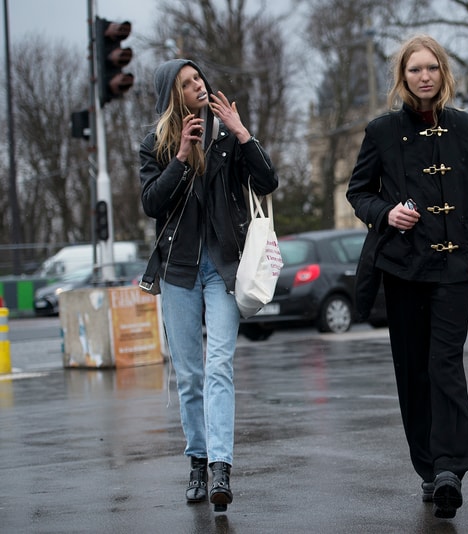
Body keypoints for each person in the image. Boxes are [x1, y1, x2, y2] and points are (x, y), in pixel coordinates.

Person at [346, 35, 468, 519]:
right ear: (403, 76)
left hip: (456, 269)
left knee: (445, 365)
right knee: (413, 371)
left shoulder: (467, 129)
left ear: (443, 73)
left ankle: (451, 469)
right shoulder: (382, 131)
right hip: (404, 269)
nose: (424, 76)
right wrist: (386, 212)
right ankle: (428, 467)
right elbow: (358, 192)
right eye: (415, 69)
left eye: (432, 67)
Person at [139, 59, 278, 511]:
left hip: (222, 269)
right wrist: (179, 158)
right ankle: (197, 461)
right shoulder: (156, 145)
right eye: (187, 83)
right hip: (178, 270)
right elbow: (151, 203)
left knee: (219, 365)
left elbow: (267, 180)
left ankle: (221, 467)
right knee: (190, 376)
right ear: (173, 95)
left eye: (198, 78)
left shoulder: (226, 137)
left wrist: (243, 134)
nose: (198, 85)